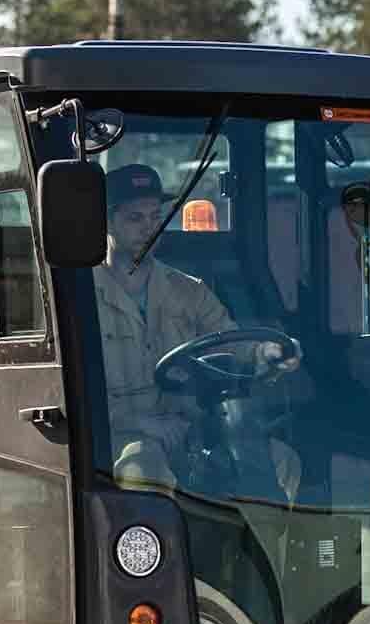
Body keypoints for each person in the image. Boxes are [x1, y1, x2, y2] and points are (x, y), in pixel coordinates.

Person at [93, 163, 299, 494]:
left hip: (190, 430)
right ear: (107, 223)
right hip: (120, 436)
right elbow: (75, 391)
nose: (149, 229)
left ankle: (263, 548)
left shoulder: (189, 291)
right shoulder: (84, 295)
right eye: (135, 218)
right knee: (143, 467)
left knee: (281, 460)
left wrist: (268, 354)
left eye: (155, 217)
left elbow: (233, 344)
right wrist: (139, 423)